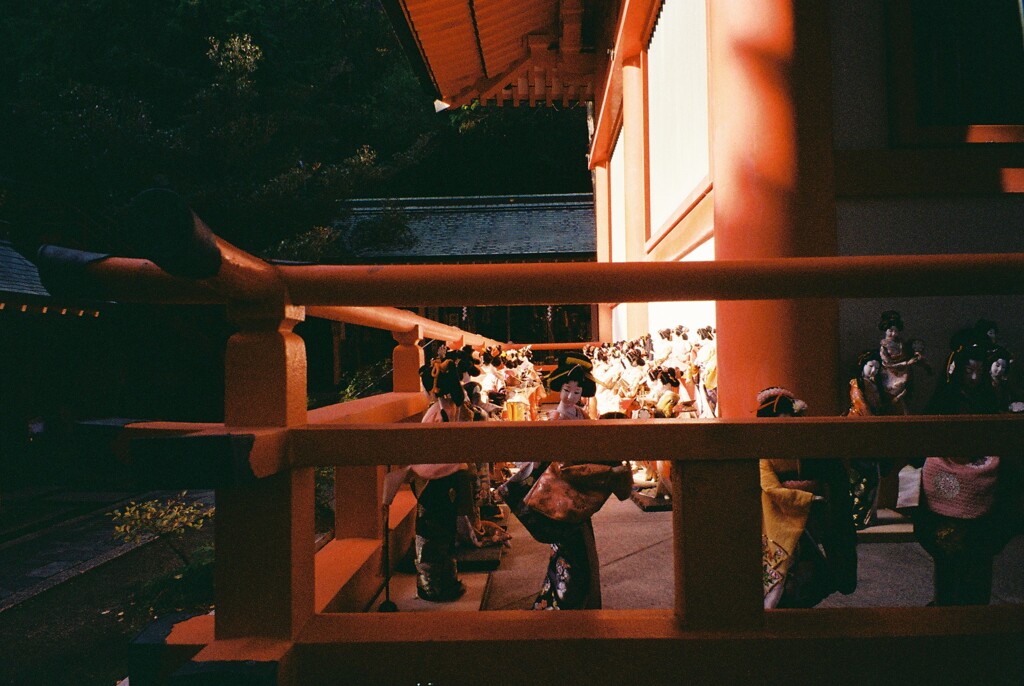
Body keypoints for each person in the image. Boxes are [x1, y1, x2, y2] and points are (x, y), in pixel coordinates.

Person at [501, 355, 632, 610]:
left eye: (577, 391)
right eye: (566, 390)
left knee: (581, 552)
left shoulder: (581, 415)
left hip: (579, 495)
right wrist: (601, 473)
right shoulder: (555, 420)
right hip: (562, 494)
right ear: (559, 389)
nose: (571, 396)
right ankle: (562, 604)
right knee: (569, 554)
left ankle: (568, 603)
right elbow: (562, 466)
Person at [914, 334, 1005, 605]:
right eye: (968, 370)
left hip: (981, 476)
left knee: (978, 557)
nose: (974, 377)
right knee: (947, 554)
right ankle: (946, 602)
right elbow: (927, 430)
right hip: (946, 471)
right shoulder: (947, 396)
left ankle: (976, 604)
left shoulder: (988, 397)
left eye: (978, 370)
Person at [758, 387, 857, 609]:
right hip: (780, 514)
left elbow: (834, 478)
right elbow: (770, 488)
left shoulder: (814, 447)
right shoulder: (763, 454)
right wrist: (809, 496)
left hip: (812, 514)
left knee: (816, 573)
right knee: (787, 573)